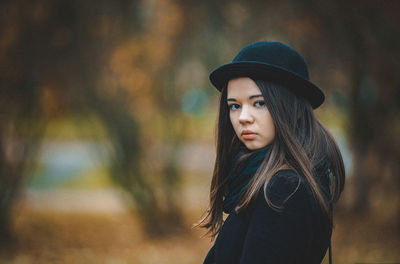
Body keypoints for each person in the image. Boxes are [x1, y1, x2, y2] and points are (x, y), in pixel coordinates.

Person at [198, 41, 345, 264]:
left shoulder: (284, 191)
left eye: (259, 103)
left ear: (294, 109)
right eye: (234, 105)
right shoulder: (260, 178)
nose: (243, 117)